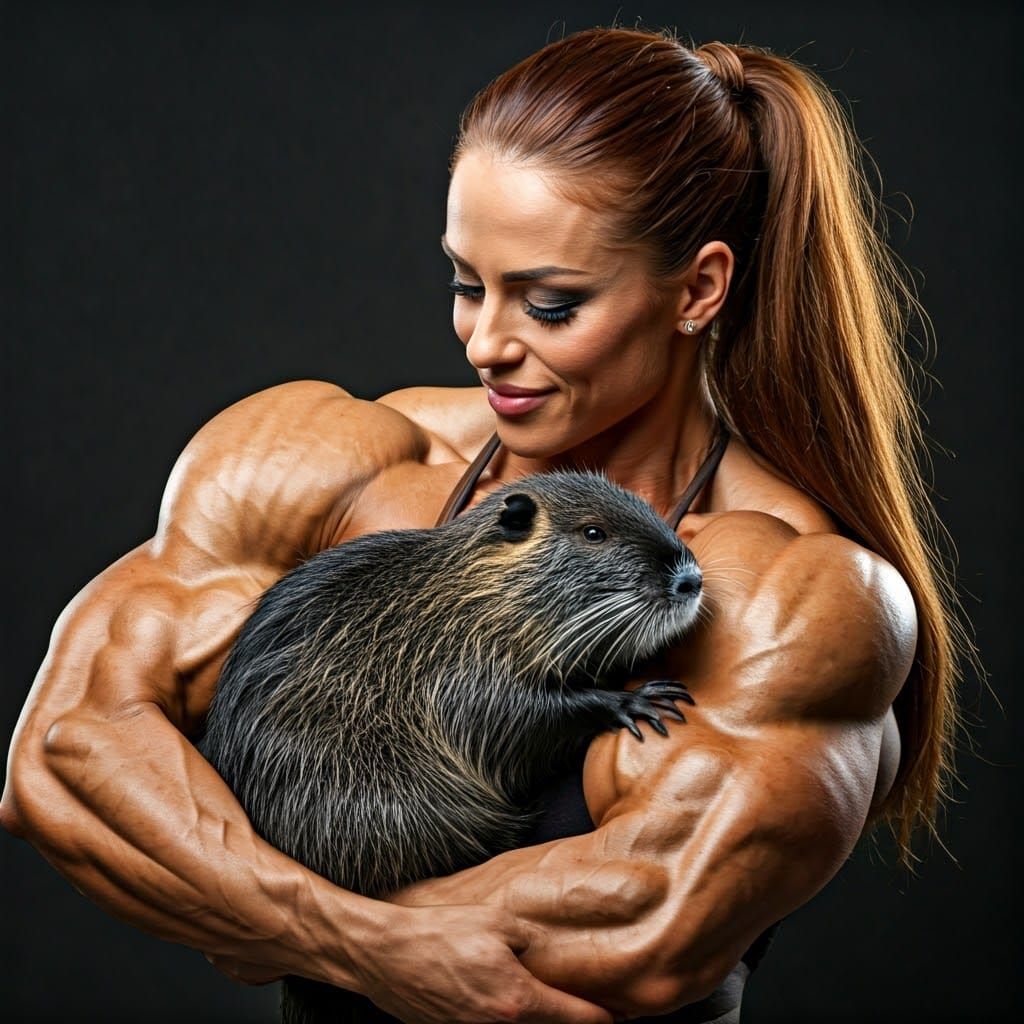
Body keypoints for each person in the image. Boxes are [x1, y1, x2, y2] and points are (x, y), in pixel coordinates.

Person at [1, 26, 971, 1024]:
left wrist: (241, 899)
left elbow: (635, 934)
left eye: (549, 305)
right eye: (468, 283)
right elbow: (66, 759)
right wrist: (361, 938)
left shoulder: (792, 592)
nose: (484, 341)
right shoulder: (338, 462)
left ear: (696, 289)